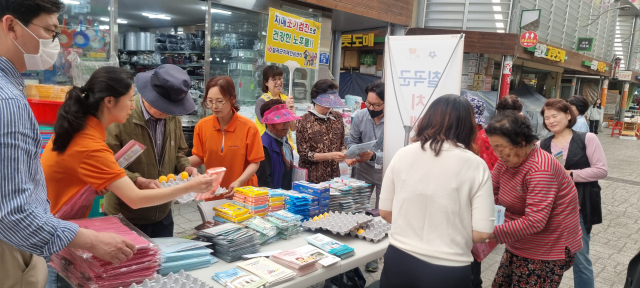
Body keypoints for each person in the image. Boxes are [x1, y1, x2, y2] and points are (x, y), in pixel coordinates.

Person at [0, 2, 137, 287]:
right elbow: (14, 212)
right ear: (11, 26)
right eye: (49, 31)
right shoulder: (8, 102)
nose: (54, 44)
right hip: (13, 247)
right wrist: (92, 241)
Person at [378, 95, 495, 288]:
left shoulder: (402, 154)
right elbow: (483, 233)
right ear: (468, 126)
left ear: (428, 119)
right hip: (448, 268)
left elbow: (385, 212)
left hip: (398, 260)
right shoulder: (476, 165)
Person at [484, 111, 583, 286]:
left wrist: (485, 233)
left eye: (500, 146)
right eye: (493, 146)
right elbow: (488, 190)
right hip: (519, 241)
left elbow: (535, 221)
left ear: (521, 142)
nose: (496, 153)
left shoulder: (540, 169)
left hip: (547, 249)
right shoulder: (506, 161)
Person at [104, 64, 200, 238]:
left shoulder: (171, 116)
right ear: (150, 96)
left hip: (162, 211)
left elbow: (178, 151)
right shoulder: (121, 115)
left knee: (162, 261)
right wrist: (138, 180)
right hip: (125, 214)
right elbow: (107, 165)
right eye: (165, 107)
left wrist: (186, 168)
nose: (169, 113)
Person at [539, 99, 608, 288]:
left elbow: (601, 170)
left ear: (568, 115)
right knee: (545, 259)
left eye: (555, 116)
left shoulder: (587, 139)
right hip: (549, 212)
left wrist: (571, 174)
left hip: (577, 209)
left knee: (581, 260)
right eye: (547, 118)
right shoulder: (541, 145)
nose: (551, 121)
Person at [189, 76, 265, 198]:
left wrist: (238, 182)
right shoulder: (202, 126)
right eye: (210, 101)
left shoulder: (249, 128)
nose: (214, 106)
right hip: (214, 192)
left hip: (243, 193)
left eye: (219, 101)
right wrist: (178, 162)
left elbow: (255, 162)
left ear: (232, 99)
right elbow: (200, 156)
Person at [344, 80, 385, 273]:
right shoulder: (360, 116)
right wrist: (353, 155)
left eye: (376, 105)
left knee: (382, 213)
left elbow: (400, 151)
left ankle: (375, 255)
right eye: (368, 103)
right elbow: (352, 141)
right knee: (359, 209)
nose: (371, 108)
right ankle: (359, 248)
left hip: (387, 171)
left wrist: (375, 155)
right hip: (363, 169)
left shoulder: (395, 121)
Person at [461, 93, 499, 288]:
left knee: (469, 248)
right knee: (474, 251)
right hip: (486, 198)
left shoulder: (470, 140)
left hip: (470, 200)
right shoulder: (488, 137)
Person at [296, 79, 347, 183]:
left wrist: (344, 153)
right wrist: (330, 156)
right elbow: (304, 154)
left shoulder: (337, 117)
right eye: (326, 102)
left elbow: (342, 144)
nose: (329, 106)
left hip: (334, 178)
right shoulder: (304, 121)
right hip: (313, 179)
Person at [256, 99, 301, 189]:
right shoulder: (264, 145)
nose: (286, 124)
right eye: (281, 121)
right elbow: (264, 179)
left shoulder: (285, 142)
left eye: (287, 119)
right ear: (269, 124)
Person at [254, 65, 296, 150]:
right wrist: (285, 109)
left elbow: (293, 127)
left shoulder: (286, 99)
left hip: (286, 146)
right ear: (266, 82)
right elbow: (267, 123)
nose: (278, 82)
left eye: (280, 78)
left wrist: (292, 113)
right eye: (274, 79)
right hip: (267, 146)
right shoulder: (262, 101)